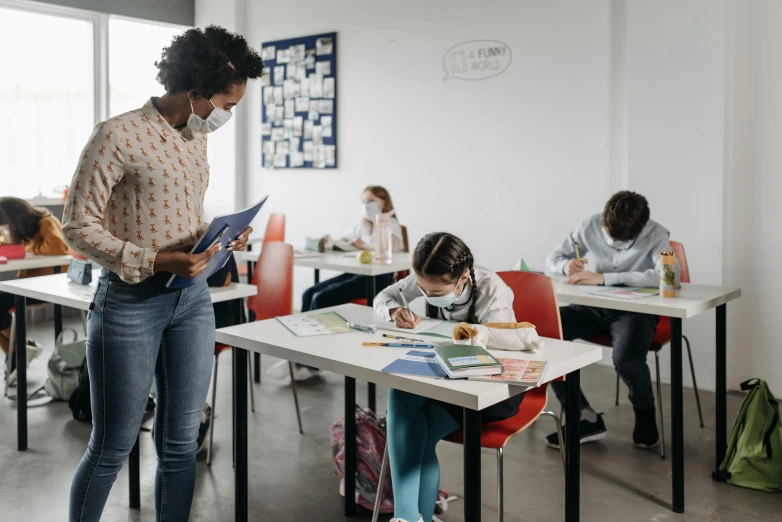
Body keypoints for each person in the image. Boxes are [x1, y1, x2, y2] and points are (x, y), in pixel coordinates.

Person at [63, 26, 263, 521]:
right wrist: (154, 259)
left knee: (180, 443)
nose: (227, 115)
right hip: (130, 304)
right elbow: (76, 227)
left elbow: (178, 213)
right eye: (226, 104)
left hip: (191, 300)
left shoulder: (195, 137)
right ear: (195, 93)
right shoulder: (116, 135)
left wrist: (218, 239)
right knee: (113, 444)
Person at [374, 232, 520, 522]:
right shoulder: (429, 278)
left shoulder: (493, 290)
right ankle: (409, 518)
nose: (427, 297)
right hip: (442, 376)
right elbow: (384, 296)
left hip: (489, 388)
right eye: (423, 290)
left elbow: (501, 347)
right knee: (399, 388)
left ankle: (410, 518)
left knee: (421, 436)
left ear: (464, 276)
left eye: (437, 294)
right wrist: (394, 310)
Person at [544, 190, 679, 450]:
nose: (615, 244)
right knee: (546, 335)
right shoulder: (590, 225)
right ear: (604, 220)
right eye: (610, 237)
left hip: (635, 311)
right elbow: (553, 258)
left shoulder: (657, 234)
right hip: (594, 307)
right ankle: (583, 415)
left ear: (642, 228)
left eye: (624, 242)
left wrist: (605, 278)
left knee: (626, 360)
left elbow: (667, 276)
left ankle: (645, 413)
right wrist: (565, 266)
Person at [268, 185, 404, 381]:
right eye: (364, 202)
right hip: (356, 273)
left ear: (384, 202)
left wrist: (363, 245)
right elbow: (343, 240)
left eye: (371, 201)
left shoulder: (390, 224)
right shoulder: (363, 225)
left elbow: (394, 249)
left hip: (377, 279)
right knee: (309, 293)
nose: (367, 206)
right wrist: (329, 241)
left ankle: (312, 362)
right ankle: (299, 355)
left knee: (322, 298)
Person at [0, 197, 69, 383]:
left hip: (50, 286)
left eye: (7, 224)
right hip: (30, 284)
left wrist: (30, 247)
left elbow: (57, 247)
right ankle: (20, 351)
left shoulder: (46, 222)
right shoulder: (27, 229)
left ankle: (20, 350)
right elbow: (12, 245)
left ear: (16, 218)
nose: (7, 228)